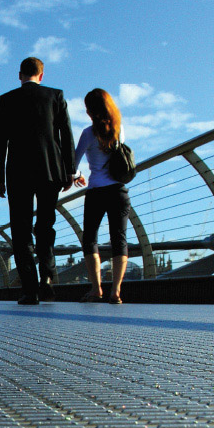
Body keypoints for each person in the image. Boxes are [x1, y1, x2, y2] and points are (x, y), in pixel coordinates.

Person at [0, 56, 75, 305]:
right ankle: (48, 276)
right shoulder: (56, 96)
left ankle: (30, 289)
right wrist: (70, 170)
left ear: (19, 75)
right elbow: (66, 135)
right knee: (46, 225)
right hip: (50, 171)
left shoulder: (6, 100)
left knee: (21, 230)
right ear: (42, 75)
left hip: (18, 172)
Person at [73, 89, 132, 304]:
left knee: (90, 239)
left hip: (97, 191)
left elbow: (73, 163)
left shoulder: (88, 133)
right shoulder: (119, 129)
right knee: (120, 239)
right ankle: (116, 291)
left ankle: (96, 289)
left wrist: (78, 176)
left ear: (90, 111)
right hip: (119, 190)